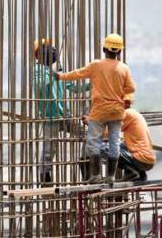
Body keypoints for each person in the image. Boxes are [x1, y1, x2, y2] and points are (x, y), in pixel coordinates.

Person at [54, 34, 135, 183]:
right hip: (117, 112)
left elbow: (77, 74)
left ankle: (96, 175)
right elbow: (130, 89)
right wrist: (128, 100)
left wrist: (60, 77)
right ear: (119, 51)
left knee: (93, 142)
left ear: (104, 49)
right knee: (114, 143)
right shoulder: (124, 68)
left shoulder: (96, 65)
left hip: (99, 112)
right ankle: (110, 176)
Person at [33, 39, 88, 184]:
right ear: (38, 55)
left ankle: (86, 164)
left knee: (87, 136)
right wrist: (53, 75)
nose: (51, 51)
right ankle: (45, 180)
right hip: (50, 118)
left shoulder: (57, 71)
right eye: (47, 49)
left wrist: (92, 83)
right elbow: (39, 85)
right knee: (48, 152)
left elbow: (74, 87)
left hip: (65, 115)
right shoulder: (37, 70)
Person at [103, 107, 156, 182]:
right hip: (147, 160)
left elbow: (109, 133)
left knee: (103, 149)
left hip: (142, 160)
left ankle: (131, 172)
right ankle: (140, 174)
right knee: (121, 146)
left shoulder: (127, 113)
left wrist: (93, 125)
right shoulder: (135, 114)